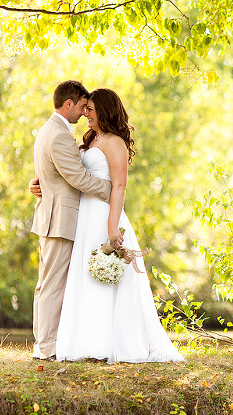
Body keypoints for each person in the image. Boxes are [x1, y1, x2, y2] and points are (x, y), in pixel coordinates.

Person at [32, 88, 184, 364]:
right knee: (82, 277)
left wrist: (113, 224)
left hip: (103, 214)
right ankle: (80, 341)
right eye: (84, 108)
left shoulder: (115, 142)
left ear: (104, 110)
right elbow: (70, 173)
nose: (85, 114)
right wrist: (43, 185)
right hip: (83, 216)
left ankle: (105, 342)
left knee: (104, 280)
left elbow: (120, 185)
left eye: (90, 109)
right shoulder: (90, 140)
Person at [30, 80, 112, 361]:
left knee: (46, 284)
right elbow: (76, 177)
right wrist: (108, 189)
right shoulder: (60, 135)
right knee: (52, 285)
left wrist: (37, 184)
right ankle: (47, 347)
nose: (82, 113)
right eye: (80, 106)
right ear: (68, 104)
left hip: (51, 216)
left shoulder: (48, 130)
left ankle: (43, 344)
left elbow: (51, 174)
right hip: (59, 218)